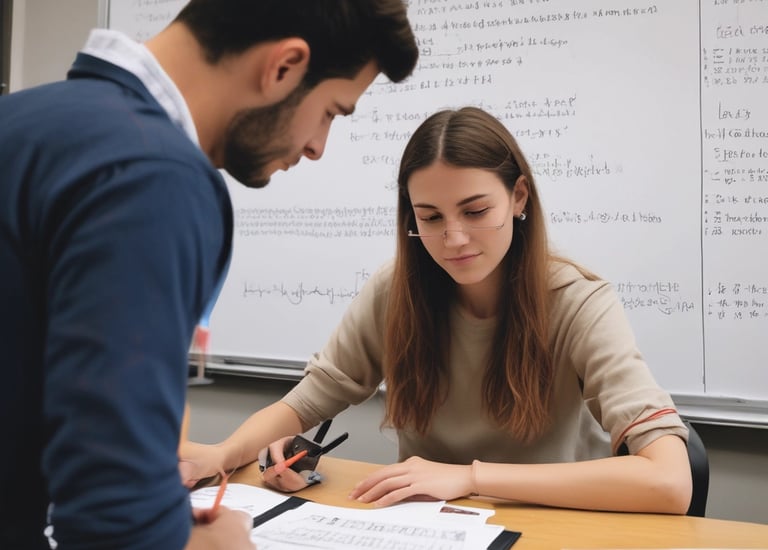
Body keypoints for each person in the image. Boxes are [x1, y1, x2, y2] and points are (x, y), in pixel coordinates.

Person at [0, 0, 418, 548]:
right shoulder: (154, 176)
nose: (318, 147)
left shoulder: (22, 120)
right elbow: (112, 510)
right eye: (331, 113)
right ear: (284, 66)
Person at [179, 106, 693, 515]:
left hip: (554, 525)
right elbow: (306, 403)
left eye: (476, 210)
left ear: (518, 197)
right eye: (430, 217)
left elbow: (670, 481)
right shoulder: (395, 291)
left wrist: (470, 477)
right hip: (429, 528)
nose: (454, 238)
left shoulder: (579, 301)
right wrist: (223, 455)